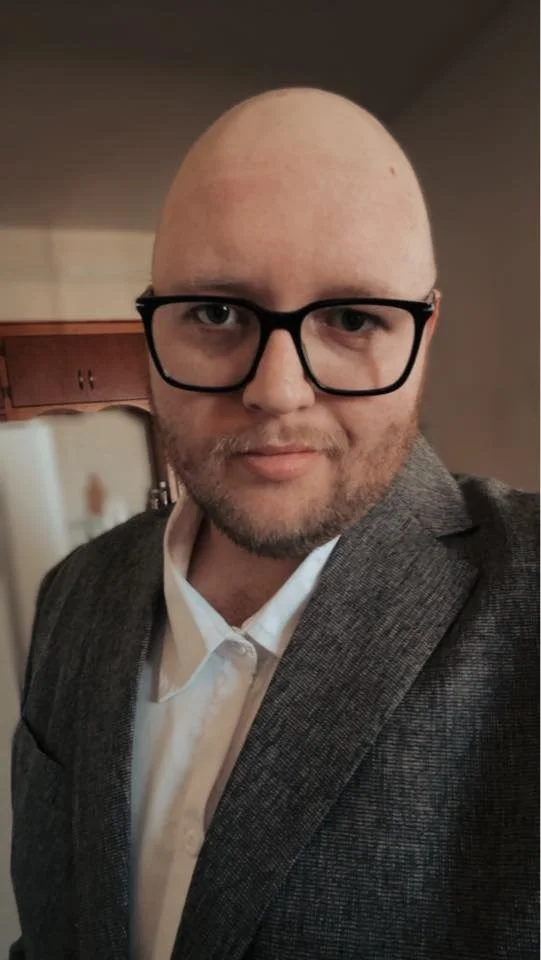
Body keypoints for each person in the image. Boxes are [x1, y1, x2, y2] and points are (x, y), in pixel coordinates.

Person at [10, 88, 538, 960]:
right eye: (216, 313)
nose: (277, 391)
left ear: (424, 333)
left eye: (352, 317)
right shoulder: (73, 591)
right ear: (151, 328)